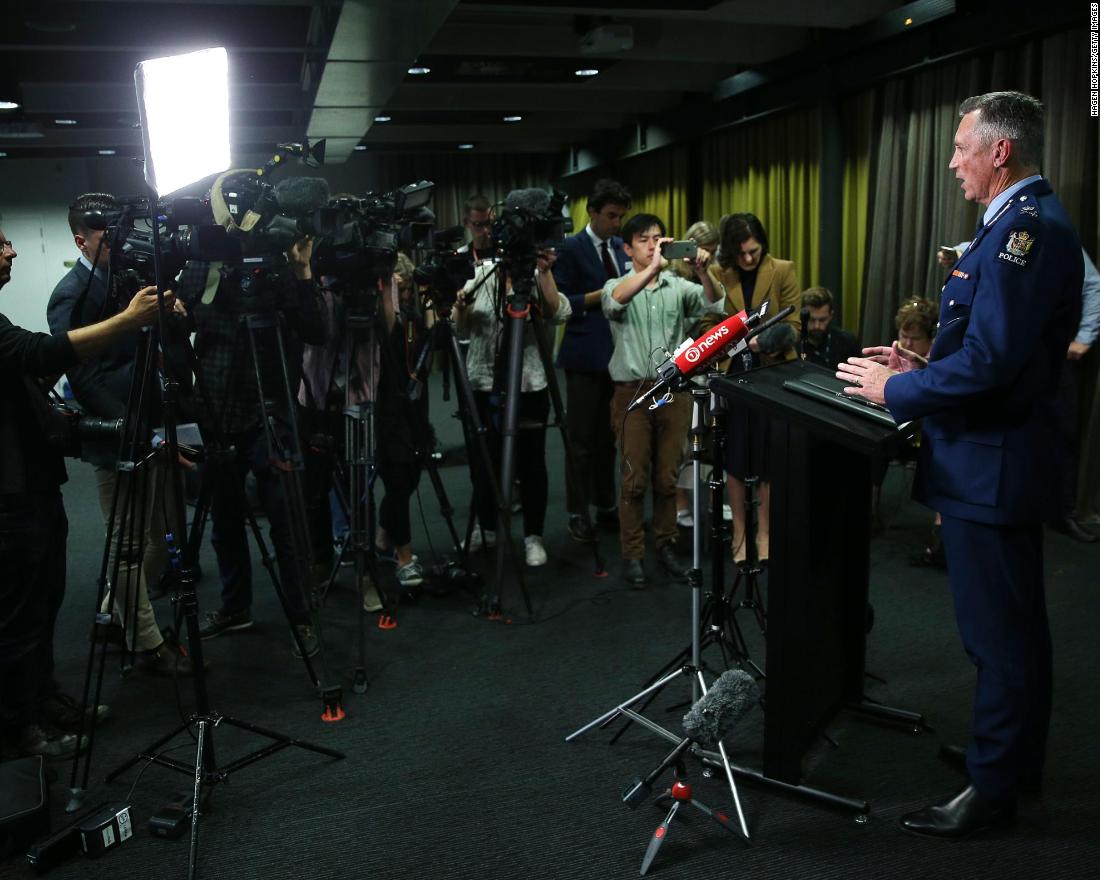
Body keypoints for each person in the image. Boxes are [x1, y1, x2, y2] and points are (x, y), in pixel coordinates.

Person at [839, 91, 1081, 839]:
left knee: (1000, 636)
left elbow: (993, 362)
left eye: (961, 149)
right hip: (991, 460)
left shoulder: (1025, 231)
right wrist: (916, 359)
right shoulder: (1017, 223)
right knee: (1006, 630)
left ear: (999, 152)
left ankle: (998, 789)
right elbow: (992, 347)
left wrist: (898, 388)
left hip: (994, 469)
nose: (951, 163)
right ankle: (1002, 762)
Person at [0, 226, 166, 759]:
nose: (12, 249)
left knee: (44, 604)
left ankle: (41, 700)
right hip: (8, 497)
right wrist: (127, 322)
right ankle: (16, 732)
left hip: (35, 482)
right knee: (16, 616)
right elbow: (43, 354)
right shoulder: (46, 309)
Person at [47, 193, 192, 677]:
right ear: (80, 241)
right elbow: (80, 374)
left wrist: (171, 317)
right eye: (103, 234)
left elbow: (150, 352)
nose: (115, 240)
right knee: (128, 545)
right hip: (116, 436)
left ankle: (115, 614)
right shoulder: (71, 294)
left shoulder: (129, 282)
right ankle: (149, 646)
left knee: (155, 539)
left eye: (118, 230)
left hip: (149, 425)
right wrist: (131, 429)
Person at [175, 234, 325, 657]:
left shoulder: (280, 264)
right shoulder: (202, 264)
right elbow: (176, 330)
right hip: (216, 412)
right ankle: (235, 607)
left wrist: (302, 271)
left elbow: (316, 330)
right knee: (224, 520)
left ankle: (301, 617)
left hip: (270, 412)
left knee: (286, 523)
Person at [940, 241, 1100, 540]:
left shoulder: (1056, 239)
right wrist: (955, 255)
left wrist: (1084, 338)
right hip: (1004, 356)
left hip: (1049, 355)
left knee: (1061, 432)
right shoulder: (1000, 232)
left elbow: (1093, 286)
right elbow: (970, 252)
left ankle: (1060, 513)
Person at [455, 189, 572, 567]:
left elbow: (557, 313)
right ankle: (485, 527)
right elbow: (461, 327)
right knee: (484, 461)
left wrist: (544, 271)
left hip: (530, 381)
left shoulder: (537, 273)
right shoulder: (482, 272)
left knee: (532, 462)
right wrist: (459, 307)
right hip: (484, 380)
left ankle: (533, 536)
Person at [604, 213, 722, 586]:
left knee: (668, 475)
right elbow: (615, 302)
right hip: (632, 391)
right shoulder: (616, 283)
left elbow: (715, 304)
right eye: (644, 240)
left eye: (658, 238)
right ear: (627, 248)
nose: (654, 245)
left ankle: (666, 545)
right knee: (634, 476)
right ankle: (633, 553)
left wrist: (703, 271)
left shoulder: (676, 286)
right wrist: (652, 268)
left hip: (673, 389)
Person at [706, 213, 800, 564]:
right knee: (735, 457)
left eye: (754, 251)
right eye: (742, 253)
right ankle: (740, 532)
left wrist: (763, 342)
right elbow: (706, 321)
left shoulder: (782, 270)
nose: (749, 259)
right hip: (731, 376)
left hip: (770, 374)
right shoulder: (718, 275)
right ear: (731, 251)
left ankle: (765, 532)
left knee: (768, 460)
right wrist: (728, 340)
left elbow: (793, 326)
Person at [551, 178, 632, 543]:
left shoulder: (620, 246)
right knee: (580, 441)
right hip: (584, 356)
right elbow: (562, 303)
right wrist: (607, 294)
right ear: (593, 212)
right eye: (612, 216)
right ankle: (577, 511)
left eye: (621, 217)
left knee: (608, 440)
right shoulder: (570, 248)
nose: (617, 223)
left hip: (621, 356)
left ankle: (605, 505)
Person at [800, 286, 860, 369]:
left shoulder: (847, 342)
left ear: (831, 315)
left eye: (822, 320)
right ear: (803, 316)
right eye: (811, 320)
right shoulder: (792, 344)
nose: (817, 326)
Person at [458, 194, 494, 265]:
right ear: (466, 222)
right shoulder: (460, 256)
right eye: (478, 225)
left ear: (494, 217)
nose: (485, 230)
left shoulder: (506, 252)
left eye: (488, 222)